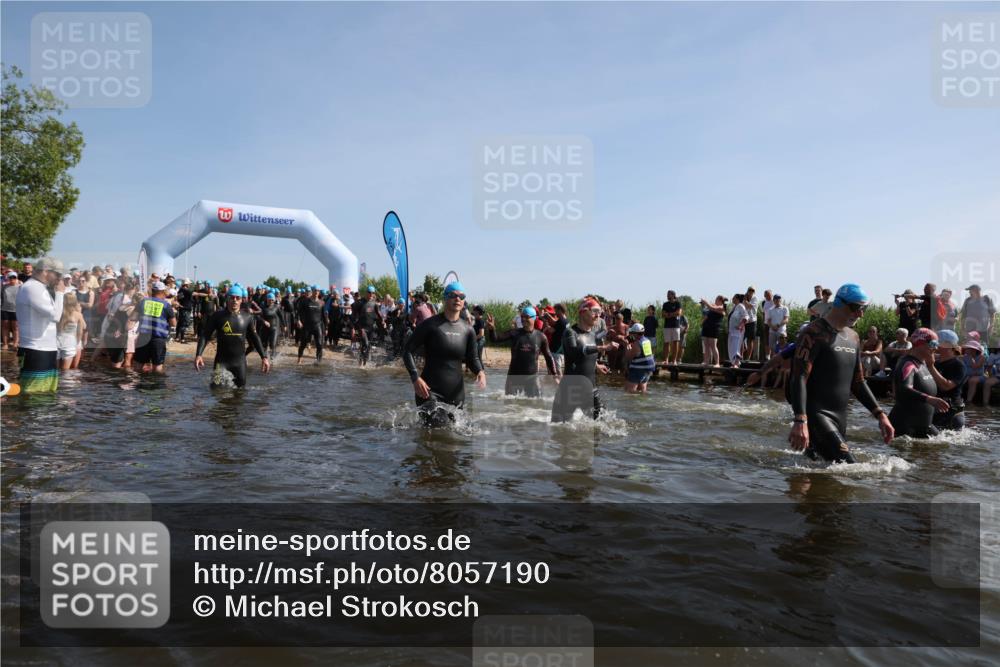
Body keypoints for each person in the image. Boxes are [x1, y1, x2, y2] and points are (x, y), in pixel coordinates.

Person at [788, 283, 894, 463]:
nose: (860, 314)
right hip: (816, 415)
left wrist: (880, 415)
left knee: (819, 473)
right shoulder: (813, 333)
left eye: (864, 309)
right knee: (850, 467)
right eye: (855, 308)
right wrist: (800, 420)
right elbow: (798, 377)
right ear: (838, 303)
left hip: (840, 417)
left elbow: (858, 382)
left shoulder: (853, 337)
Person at [402, 281, 486, 426]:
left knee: (454, 439)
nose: (457, 299)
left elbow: (473, 358)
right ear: (445, 298)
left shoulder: (468, 330)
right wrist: (415, 378)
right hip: (429, 392)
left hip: (456, 394)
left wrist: (480, 371)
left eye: (461, 296)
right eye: (453, 295)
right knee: (440, 430)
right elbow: (407, 350)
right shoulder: (430, 325)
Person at [551, 298, 618, 422]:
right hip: (569, 391)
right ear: (582, 312)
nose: (598, 315)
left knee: (600, 427)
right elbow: (575, 352)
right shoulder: (570, 333)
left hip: (590, 390)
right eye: (594, 311)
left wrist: (596, 365)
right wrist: (602, 347)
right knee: (558, 430)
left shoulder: (593, 335)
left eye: (599, 311)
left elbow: (586, 355)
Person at [195, 286, 271, 388]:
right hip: (221, 362)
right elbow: (205, 335)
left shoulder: (247, 317)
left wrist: (264, 357)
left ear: (241, 300)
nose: (234, 300)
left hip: (239, 363)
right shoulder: (217, 316)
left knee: (240, 393)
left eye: (237, 298)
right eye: (232, 297)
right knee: (216, 391)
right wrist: (199, 355)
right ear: (227, 298)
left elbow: (255, 337)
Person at [14, 257, 66, 393]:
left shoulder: (40, 288)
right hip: (35, 348)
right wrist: (60, 293)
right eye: (57, 274)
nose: (60, 279)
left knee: (47, 391)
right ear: (45, 271)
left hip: (45, 348)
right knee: (33, 393)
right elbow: (56, 316)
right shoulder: (31, 288)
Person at [889, 328, 950, 438]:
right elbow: (904, 389)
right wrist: (929, 399)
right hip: (904, 428)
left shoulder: (923, 364)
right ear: (920, 343)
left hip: (923, 426)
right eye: (933, 344)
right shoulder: (908, 364)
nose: (936, 348)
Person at [486, 305, 557, 396]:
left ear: (534, 318)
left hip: (532, 378)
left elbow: (548, 356)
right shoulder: (515, 333)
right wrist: (492, 329)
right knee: (510, 406)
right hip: (514, 377)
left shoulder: (541, 336)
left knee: (536, 406)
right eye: (522, 317)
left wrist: (554, 374)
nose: (523, 319)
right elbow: (495, 339)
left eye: (526, 317)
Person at [134, 281, 177, 373]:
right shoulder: (166, 305)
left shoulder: (143, 302)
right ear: (162, 292)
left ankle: (137, 386)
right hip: (158, 339)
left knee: (138, 365)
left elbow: (133, 317)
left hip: (143, 337)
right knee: (157, 366)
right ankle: (156, 385)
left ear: (152, 291)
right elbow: (173, 323)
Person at [932, 330, 968, 431]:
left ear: (948, 345)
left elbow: (946, 386)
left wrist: (930, 367)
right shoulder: (936, 363)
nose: (934, 345)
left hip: (952, 413)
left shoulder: (958, 365)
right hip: (936, 409)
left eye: (937, 342)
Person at [56, 292, 86, 370]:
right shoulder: (78, 315)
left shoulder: (58, 313)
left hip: (57, 341)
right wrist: (76, 343)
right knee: (65, 371)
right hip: (70, 343)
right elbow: (80, 333)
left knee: (55, 370)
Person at [296, 286, 325, 364]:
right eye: (315, 291)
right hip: (307, 326)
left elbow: (324, 316)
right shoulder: (305, 301)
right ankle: (299, 359)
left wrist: (326, 328)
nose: (316, 292)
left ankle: (318, 361)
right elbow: (298, 312)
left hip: (317, 326)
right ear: (312, 291)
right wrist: (298, 320)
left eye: (318, 291)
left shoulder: (321, 302)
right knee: (303, 344)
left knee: (319, 344)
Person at [624, 322, 656, 393]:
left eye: (631, 332)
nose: (630, 334)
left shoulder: (637, 344)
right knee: (642, 391)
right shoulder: (647, 340)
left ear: (635, 333)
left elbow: (628, 357)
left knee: (629, 391)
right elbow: (641, 354)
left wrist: (627, 346)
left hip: (638, 369)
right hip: (647, 369)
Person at [699, 296, 726, 367]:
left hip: (714, 328)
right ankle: (706, 362)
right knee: (706, 345)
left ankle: (717, 363)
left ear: (720, 300)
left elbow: (712, 308)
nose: (715, 300)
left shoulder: (722, 307)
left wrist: (705, 302)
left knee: (713, 346)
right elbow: (708, 311)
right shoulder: (714, 307)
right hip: (706, 327)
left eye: (716, 299)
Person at [257, 292, 281, 360]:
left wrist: (284, 325)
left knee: (272, 344)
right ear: (267, 299)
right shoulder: (263, 307)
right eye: (269, 300)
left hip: (274, 328)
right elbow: (258, 317)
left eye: (272, 300)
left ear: (274, 300)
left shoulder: (276, 307)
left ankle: (273, 357)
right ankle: (265, 358)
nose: (271, 301)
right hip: (265, 329)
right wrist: (264, 321)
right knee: (264, 346)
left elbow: (281, 316)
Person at [727, 293, 748, 367]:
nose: (732, 298)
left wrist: (741, 325)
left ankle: (736, 363)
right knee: (731, 347)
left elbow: (746, 316)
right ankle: (735, 363)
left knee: (736, 347)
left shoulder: (741, 306)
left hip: (738, 331)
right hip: (731, 331)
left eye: (733, 297)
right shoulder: (734, 307)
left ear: (737, 299)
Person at [661, 290, 683, 364]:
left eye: (668, 294)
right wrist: (672, 314)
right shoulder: (665, 304)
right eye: (667, 294)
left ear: (673, 295)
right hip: (667, 326)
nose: (667, 296)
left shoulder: (678, 303)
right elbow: (663, 314)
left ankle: (674, 360)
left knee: (675, 343)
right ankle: (666, 360)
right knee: (666, 343)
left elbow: (679, 313)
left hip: (675, 326)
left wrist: (669, 314)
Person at [962, 339, 987, 404]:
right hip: (967, 375)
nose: (966, 350)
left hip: (979, 376)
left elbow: (975, 366)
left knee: (972, 380)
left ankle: (969, 400)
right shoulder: (964, 357)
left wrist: (971, 358)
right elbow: (963, 367)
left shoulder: (982, 357)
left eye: (968, 348)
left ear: (973, 350)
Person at [2, 271, 20, 350]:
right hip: (5, 309)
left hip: (16, 310)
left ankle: (15, 343)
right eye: (11, 278)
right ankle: (5, 343)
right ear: (8, 278)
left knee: (15, 327)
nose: (12, 279)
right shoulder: (4, 286)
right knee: (5, 326)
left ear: (16, 278)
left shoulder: (21, 286)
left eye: (14, 278)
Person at [550, 303, 569, 376]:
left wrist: (546, 326)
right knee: (559, 368)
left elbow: (551, 330)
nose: (555, 312)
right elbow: (556, 324)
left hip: (556, 349)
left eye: (556, 310)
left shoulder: (560, 321)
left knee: (557, 369)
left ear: (560, 310)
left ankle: (561, 385)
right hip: (562, 349)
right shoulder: (566, 320)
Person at [175, 278, 194, 343]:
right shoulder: (187, 291)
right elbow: (194, 293)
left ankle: (177, 337)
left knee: (180, 323)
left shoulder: (180, 290)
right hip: (185, 309)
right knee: (184, 323)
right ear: (186, 284)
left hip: (182, 309)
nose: (189, 285)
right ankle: (182, 338)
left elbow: (178, 299)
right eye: (189, 284)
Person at [743, 287, 759, 361]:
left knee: (750, 340)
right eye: (750, 290)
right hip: (744, 321)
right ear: (747, 291)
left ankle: (748, 358)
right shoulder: (743, 298)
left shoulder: (755, 298)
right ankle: (740, 357)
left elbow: (749, 306)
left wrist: (745, 299)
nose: (751, 292)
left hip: (752, 321)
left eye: (753, 291)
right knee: (741, 339)